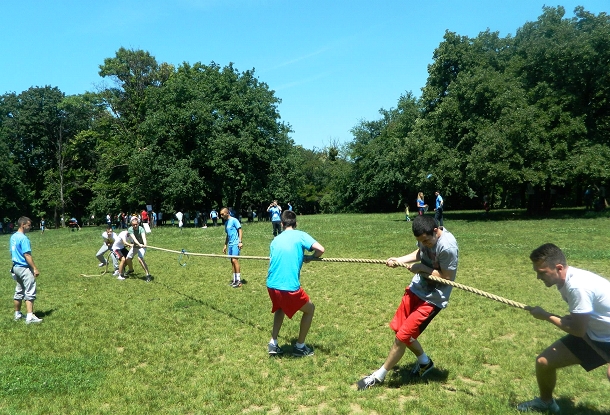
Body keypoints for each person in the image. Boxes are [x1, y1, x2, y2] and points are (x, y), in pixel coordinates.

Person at [357, 215, 459, 390]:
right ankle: (425, 362)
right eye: (421, 241)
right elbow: (420, 253)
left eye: (426, 240)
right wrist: (400, 260)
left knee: (402, 337)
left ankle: (379, 376)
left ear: (435, 231)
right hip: (416, 289)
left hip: (433, 298)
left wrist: (422, 268)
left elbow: (448, 277)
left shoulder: (447, 247)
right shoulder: (424, 238)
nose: (424, 243)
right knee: (400, 329)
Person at [516, 243, 610, 414]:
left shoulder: (577, 286)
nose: (538, 277)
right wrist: (574, 319)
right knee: (544, 362)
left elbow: (577, 331)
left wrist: (546, 315)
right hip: (596, 335)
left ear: (558, 268)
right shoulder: (566, 280)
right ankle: (546, 402)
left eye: (542, 272)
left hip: (602, 336)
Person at [266, 210, 325, 357]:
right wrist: (311, 257)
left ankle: (273, 343)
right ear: (295, 223)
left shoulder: (275, 239)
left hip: (271, 285)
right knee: (310, 309)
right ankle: (300, 347)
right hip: (288, 287)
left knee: (280, 307)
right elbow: (320, 249)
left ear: (281, 224)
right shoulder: (300, 235)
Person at [9, 217, 43, 324]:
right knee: (30, 290)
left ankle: (17, 314)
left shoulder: (13, 237)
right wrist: (34, 268)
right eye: (28, 225)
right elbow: (27, 255)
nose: (30, 227)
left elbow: (12, 252)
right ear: (23, 225)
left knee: (19, 291)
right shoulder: (24, 238)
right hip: (24, 268)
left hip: (16, 267)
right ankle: (30, 316)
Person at [220, 207, 243, 287]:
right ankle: (234, 280)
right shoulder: (226, 223)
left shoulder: (234, 220)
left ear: (227, 213)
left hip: (235, 243)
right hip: (230, 244)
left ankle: (239, 281)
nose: (221, 216)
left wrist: (240, 242)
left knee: (234, 260)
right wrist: (225, 245)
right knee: (232, 262)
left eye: (222, 214)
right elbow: (228, 235)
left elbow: (240, 230)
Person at [127, 217, 152, 282]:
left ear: (138, 223)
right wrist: (138, 244)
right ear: (131, 224)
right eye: (133, 225)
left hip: (142, 246)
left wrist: (144, 244)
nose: (135, 226)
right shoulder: (130, 229)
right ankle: (131, 270)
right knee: (128, 259)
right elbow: (134, 238)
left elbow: (143, 237)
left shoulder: (141, 229)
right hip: (135, 246)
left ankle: (147, 274)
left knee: (140, 258)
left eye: (136, 224)